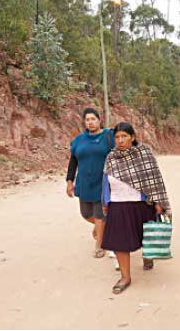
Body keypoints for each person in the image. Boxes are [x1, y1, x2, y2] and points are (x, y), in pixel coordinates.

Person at [101, 122, 172, 294]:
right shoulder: (111, 157)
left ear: (132, 137)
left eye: (124, 136)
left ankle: (148, 257)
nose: (120, 140)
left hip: (141, 203)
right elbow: (105, 180)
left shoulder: (145, 154)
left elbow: (154, 179)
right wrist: (105, 201)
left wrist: (158, 203)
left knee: (145, 235)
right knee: (119, 242)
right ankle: (125, 277)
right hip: (118, 204)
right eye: (117, 137)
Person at [66, 108, 114, 258]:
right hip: (84, 182)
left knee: (100, 215)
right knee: (86, 214)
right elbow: (73, 161)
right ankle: (102, 229)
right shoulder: (79, 140)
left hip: (103, 182)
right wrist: (69, 181)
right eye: (87, 120)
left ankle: (99, 246)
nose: (90, 122)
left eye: (93, 119)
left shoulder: (109, 136)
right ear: (84, 122)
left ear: (99, 120)